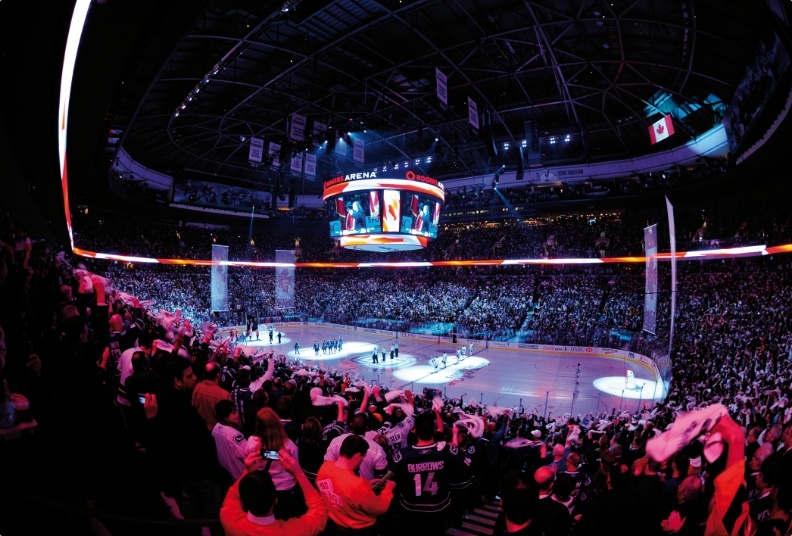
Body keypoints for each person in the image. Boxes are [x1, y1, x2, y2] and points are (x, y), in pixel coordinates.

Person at [220, 449, 328, 536]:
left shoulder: (229, 520)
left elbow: (232, 496)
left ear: (243, 501)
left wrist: (247, 470)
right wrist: (298, 472)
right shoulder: (294, 532)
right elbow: (320, 513)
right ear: (275, 500)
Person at [389, 409, 461, 534]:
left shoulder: (403, 455)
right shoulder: (446, 450)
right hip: (438, 507)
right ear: (433, 430)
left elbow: (392, 479)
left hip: (411, 507)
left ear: (415, 430)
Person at [316, 435, 396, 535]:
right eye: (363, 456)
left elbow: (339, 489)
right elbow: (379, 508)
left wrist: (367, 485)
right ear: (357, 455)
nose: (363, 459)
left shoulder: (325, 467)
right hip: (359, 529)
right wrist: (388, 489)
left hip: (334, 523)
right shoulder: (358, 484)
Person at [245, 407, 306, 520]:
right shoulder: (289, 446)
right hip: (285, 490)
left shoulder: (251, 442)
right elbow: (295, 469)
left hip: (263, 488)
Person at [213, 399, 248, 482]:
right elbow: (247, 455)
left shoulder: (215, 428)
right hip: (241, 476)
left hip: (228, 476)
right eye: (233, 413)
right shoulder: (235, 435)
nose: (237, 414)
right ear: (225, 417)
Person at [192, 361, 232, 430]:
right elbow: (230, 419)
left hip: (199, 428)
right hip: (217, 433)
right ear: (218, 375)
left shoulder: (197, 387)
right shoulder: (224, 395)